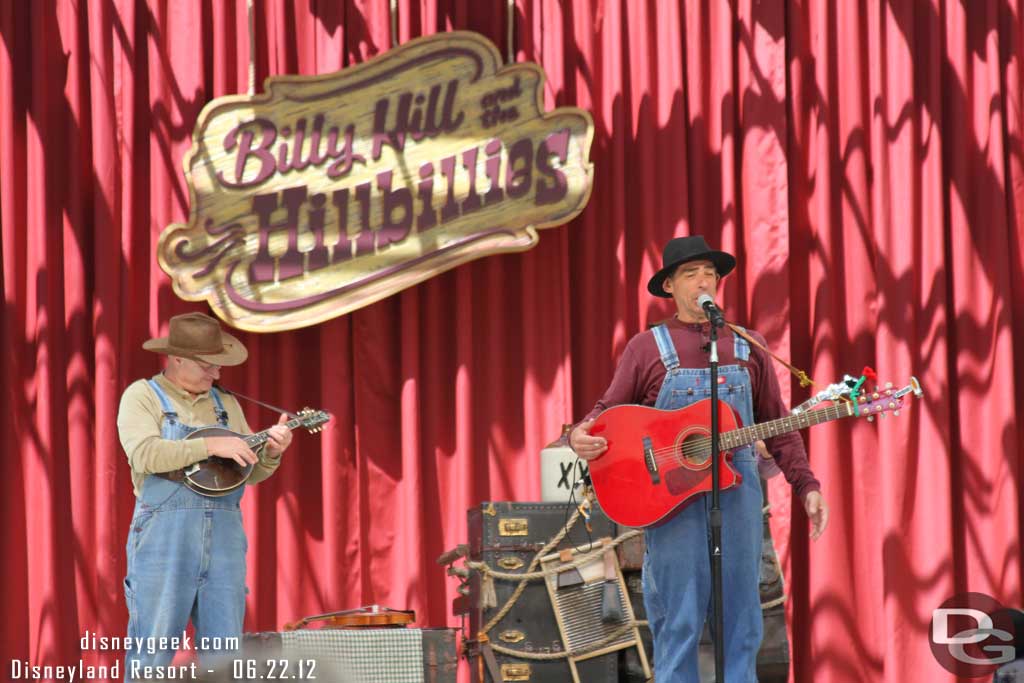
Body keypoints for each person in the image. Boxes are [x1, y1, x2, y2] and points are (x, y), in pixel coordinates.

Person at [570, 235, 829, 682]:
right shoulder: (647, 347)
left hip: (739, 492)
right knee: (680, 619)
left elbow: (778, 423)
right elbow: (606, 412)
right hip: (670, 500)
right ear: (669, 286)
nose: (704, 280)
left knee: (742, 618)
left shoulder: (748, 345)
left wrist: (806, 485)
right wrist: (580, 434)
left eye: (710, 273)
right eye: (691, 273)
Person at [116, 312, 293, 680]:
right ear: (176, 358)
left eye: (218, 366)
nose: (217, 375)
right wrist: (212, 444)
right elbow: (146, 454)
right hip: (164, 541)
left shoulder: (225, 403)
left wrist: (272, 453)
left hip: (225, 543)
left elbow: (248, 471)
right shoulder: (142, 396)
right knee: (152, 654)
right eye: (207, 366)